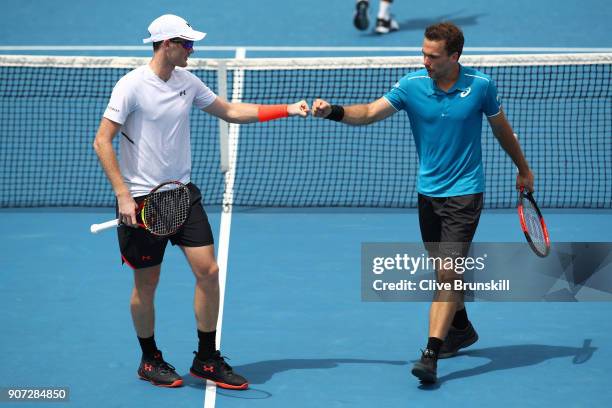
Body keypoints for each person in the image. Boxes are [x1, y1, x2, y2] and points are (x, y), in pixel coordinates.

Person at [93, 14, 309, 389]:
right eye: (188, 44)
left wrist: (286, 109)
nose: (193, 50)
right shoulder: (130, 87)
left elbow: (228, 111)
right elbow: (101, 141)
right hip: (142, 202)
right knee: (147, 283)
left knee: (208, 272)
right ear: (166, 44)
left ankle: (206, 359)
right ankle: (149, 359)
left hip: (182, 194)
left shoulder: (187, 82)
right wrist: (123, 195)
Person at [313, 22, 534, 383]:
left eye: (433, 56)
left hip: (465, 192)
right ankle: (461, 327)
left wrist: (523, 169)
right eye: (423, 53)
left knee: (447, 273)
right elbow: (369, 113)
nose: (425, 60)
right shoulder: (411, 85)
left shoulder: (481, 87)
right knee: (444, 271)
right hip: (428, 192)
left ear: (454, 56)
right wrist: (334, 111)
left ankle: (431, 354)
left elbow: (501, 129)